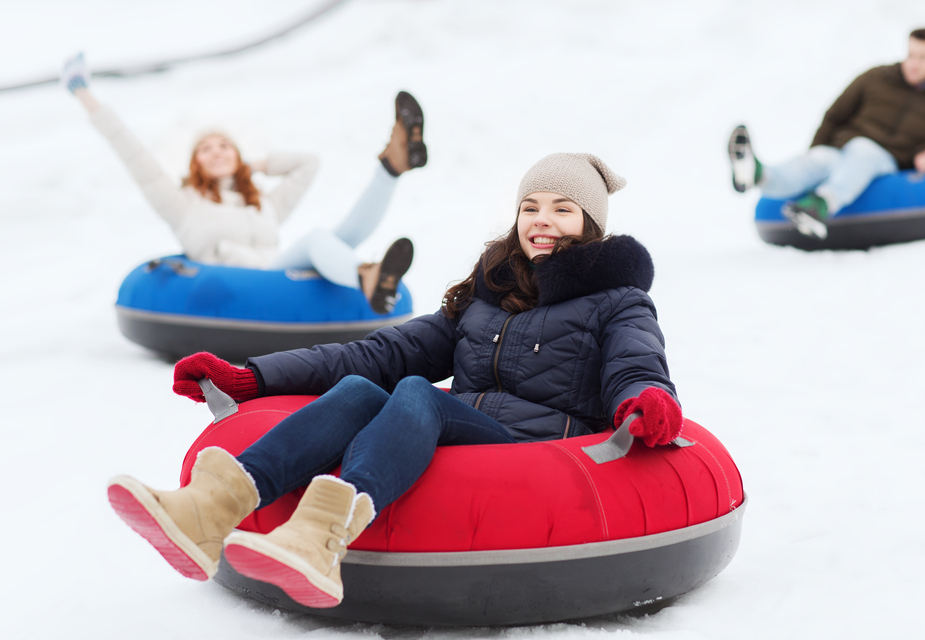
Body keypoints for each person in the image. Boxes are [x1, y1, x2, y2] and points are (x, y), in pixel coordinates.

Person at [107, 153, 684, 608]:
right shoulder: (490, 295)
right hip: (469, 429)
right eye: (531, 206)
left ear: (590, 223)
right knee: (365, 388)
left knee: (415, 393)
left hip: (539, 450)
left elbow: (636, 365)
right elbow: (386, 351)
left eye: (562, 208)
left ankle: (322, 538)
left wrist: (647, 400)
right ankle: (210, 508)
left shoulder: (617, 301)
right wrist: (252, 376)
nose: (542, 220)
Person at [60, 53, 425, 313]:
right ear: (194, 162)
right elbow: (131, 150)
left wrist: (257, 165)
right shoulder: (181, 203)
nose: (216, 152)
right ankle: (366, 276)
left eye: (225, 146)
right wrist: (82, 92)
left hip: (281, 272)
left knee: (340, 237)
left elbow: (308, 165)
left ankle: (390, 167)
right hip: (246, 284)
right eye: (205, 149)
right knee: (317, 240)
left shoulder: (261, 203)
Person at [728, 28, 925, 239]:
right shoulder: (876, 78)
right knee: (817, 161)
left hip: (887, 160)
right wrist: (819, 147)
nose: (914, 63)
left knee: (864, 152)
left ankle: (820, 205)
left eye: (923, 57)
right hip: (842, 148)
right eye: (911, 55)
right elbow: (835, 115)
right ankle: (758, 174)